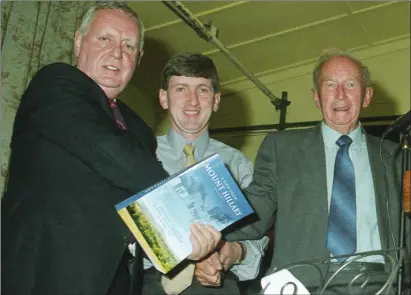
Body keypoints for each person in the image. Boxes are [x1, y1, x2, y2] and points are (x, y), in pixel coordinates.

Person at [1, 3, 221, 295]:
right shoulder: (55, 84)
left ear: (138, 59)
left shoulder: (139, 128)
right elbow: (117, 158)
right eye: (105, 39)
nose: (117, 53)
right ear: (79, 41)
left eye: (128, 46)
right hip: (44, 273)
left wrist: (188, 246)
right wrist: (186, 220)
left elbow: (140, 210)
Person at [220, 49, 408, 293]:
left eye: (350, 84)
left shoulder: (397, 157)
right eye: (330, 85)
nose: (340, 94)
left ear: (367, 96)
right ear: (316, 97)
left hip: (379, 284)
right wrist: (202, 224)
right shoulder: (282, 148)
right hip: (301, 284)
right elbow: (254, 212)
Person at [141, 52, 269, 295]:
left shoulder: (237, 163)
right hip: (152, 285)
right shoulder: (140, 154)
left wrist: (234, 251)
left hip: (219, 286)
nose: (192, 101)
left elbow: (258, 235)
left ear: (217, 100)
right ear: (163, 98)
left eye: (202, 90)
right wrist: (186, 259)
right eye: (180, 89)